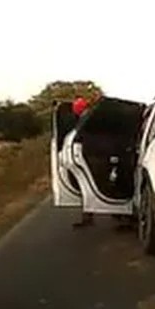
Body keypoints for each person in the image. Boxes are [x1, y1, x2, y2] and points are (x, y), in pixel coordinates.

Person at [70, 96, 95, 229]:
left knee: (85, 185)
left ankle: (88, 216)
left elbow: (81, 136)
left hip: (89, 155)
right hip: (91, 154)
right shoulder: (89, 117)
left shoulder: (85, 119)